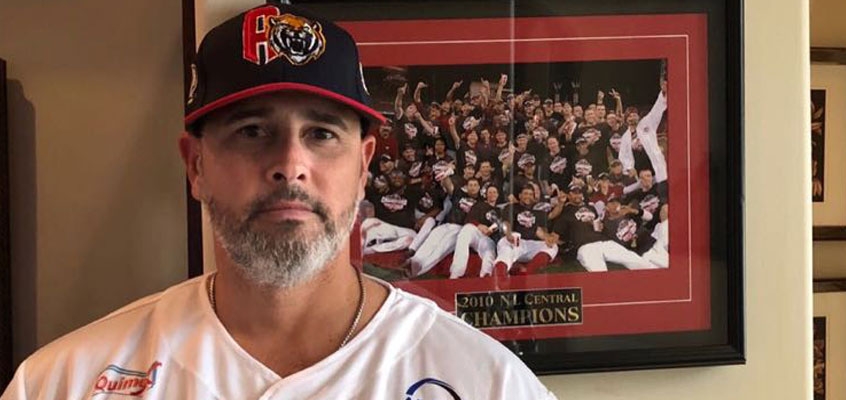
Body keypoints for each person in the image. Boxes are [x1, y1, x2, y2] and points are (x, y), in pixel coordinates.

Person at [1, 4, 556, 399]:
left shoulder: (488, 383)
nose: (290, 164)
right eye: (251, 131)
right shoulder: (62, 383)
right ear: (195, 165)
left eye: (321, 133)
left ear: (363, 166)